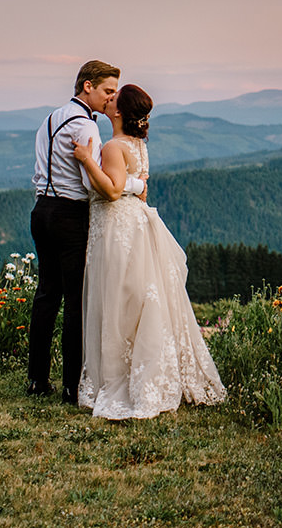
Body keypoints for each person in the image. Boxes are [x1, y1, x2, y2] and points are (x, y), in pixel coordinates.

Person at [71, 83, 226, 419]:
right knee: (134, 298)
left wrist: (85, 160)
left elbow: (111, 191)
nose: (108, 102)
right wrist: (136, 185)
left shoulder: (112, 146)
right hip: (136, 223)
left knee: (115, 300)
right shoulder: (138, 145)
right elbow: (135, 184)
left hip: (116, 226)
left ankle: (117, 377)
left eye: (113, 100)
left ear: (120, 113)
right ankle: (142, 372)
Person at [26, 60, 144, 403]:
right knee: (77, 301)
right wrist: (135, 183)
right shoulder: (87, 128)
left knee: (46, 295)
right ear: (87, 86)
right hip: (69, 214)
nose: (111, 99)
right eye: (108, 91)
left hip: (41, 210)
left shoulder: (51, 118)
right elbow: (93, 187)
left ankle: (36, 379)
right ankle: (71, 386)